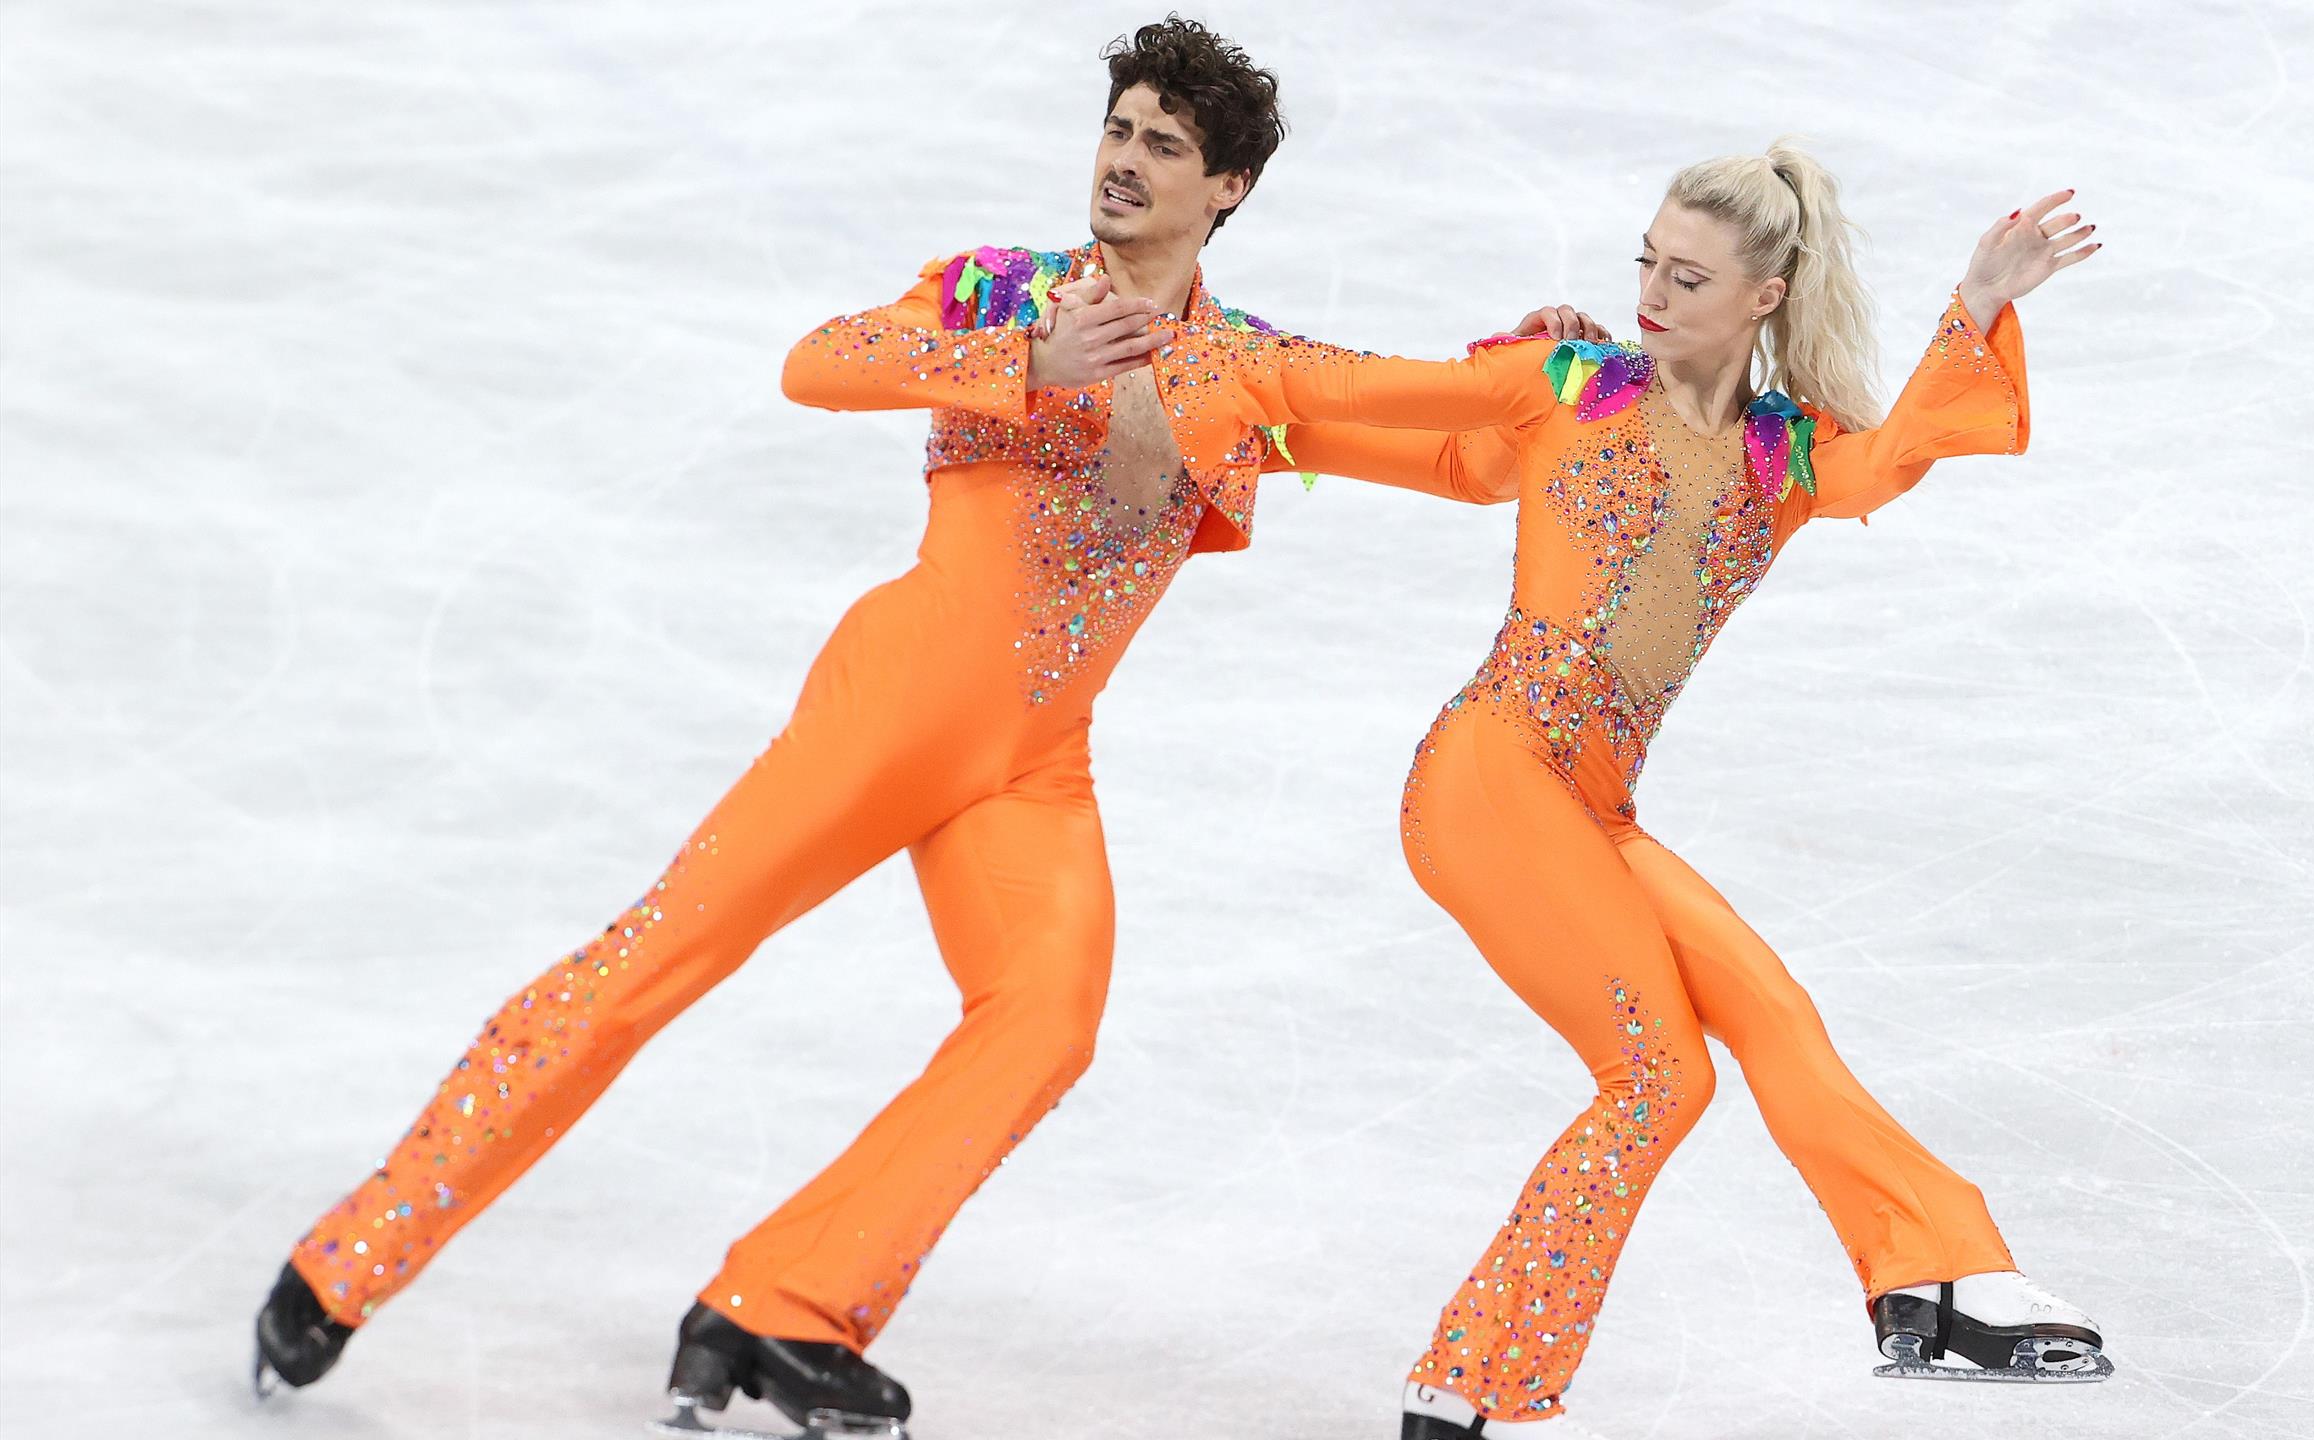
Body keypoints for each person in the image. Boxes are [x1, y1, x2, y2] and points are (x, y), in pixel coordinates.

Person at [249, 18, 1556, 1434]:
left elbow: (1465, 464)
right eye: (1117, 129)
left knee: (1045, 1020)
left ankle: (782, 1302)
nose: (1123, 161)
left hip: (1033, 768)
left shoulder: (1248, 373)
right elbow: (820, 362)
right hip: (892, 707)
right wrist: (1030, 363)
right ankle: (347, 1260)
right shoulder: (1005, 292)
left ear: (1225, 188)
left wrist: (1530, 365)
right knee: (655, 961)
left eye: (1162, 145)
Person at [1144, 142, 2109, 1432]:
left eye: (1689, 275)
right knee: (1660, 1076)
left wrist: (1978, 301)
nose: (1652, 293)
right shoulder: (1565, 383)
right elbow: (1356, 389)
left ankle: (1936, 1282)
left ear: (1764, 295)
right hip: (1489, 777)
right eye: (1645, 263)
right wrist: (1174, 344)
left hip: (1596, 804)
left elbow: (1892, 461)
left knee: (1771, 1010)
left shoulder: (1787, 454)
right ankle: (1467, 1387)